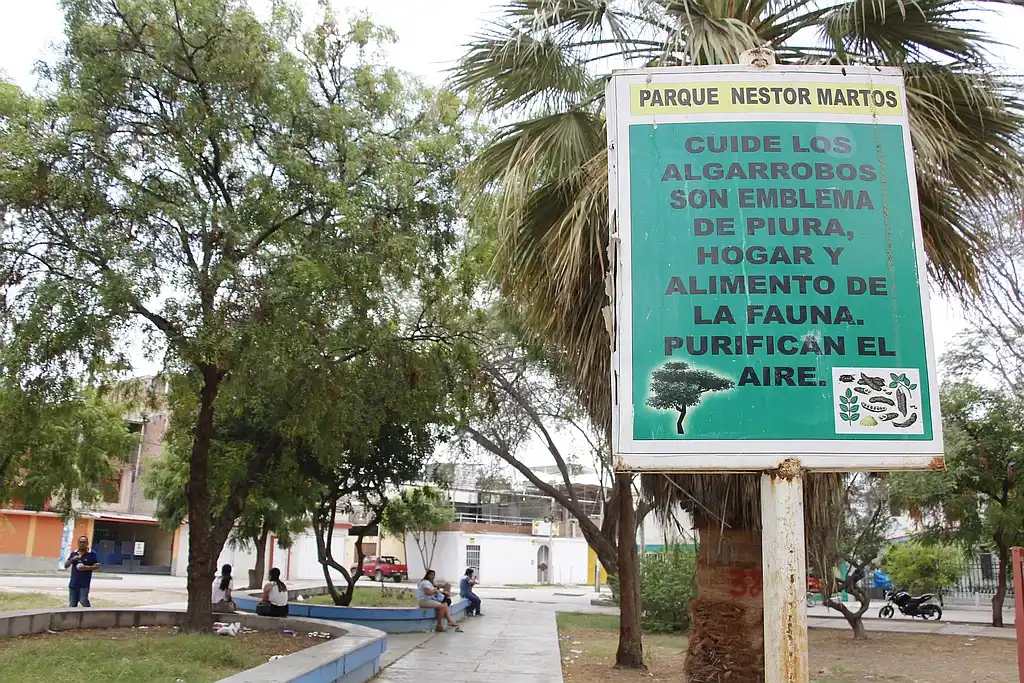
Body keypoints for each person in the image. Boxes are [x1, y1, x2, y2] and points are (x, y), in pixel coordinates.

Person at [65, 535, 99, 608]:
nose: (82, 543)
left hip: (84, 583)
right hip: (73, 583)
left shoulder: (92, 553)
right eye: (80, 542)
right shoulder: (74, 553)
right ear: (78, 543)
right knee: (72, 604)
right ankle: (72, 618)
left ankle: (90, 613)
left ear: (87, 543)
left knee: (83, 600)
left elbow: (97, 565)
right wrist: (72, 559)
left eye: (84, 542)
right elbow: (66, 565)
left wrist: (87, 568)